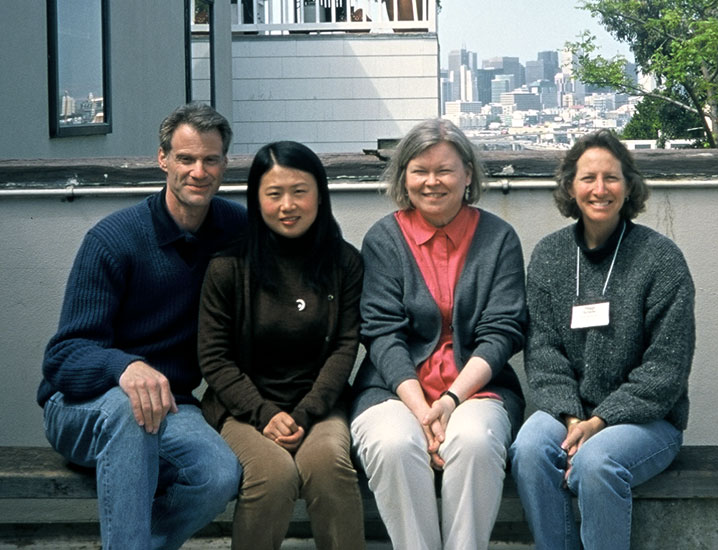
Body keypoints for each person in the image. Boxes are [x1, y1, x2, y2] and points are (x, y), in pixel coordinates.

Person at [38, 102, 246, 550]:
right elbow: (62, 357)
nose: (198, 171)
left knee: (217, 475)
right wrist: (124, 367)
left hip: (172, 404)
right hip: (81, 406)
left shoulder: (237, 229)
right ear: (163, 159)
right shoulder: (113, 239)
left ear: (225, 164)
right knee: (130, 412)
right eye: (186, 158)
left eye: (210, 160)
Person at [510, 129, 695, 550]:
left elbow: (666, 367)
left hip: (646, 420)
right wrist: (572, 418)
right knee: (529, 449)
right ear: (569, 188)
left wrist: (600, 421)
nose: (600, 189)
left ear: (629, 187)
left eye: (611, 178)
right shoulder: (549, 255)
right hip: (569, 413)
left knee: (596, 461)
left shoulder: (661, 259)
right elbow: (543, 351)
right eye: (588, 178)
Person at [350, 118, 527, 550]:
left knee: (475, 441)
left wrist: (449, 401)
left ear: (467, 175)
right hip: (393, 389)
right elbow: (382, 334)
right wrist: (423, 411)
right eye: (420, 171)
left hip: (477, 389)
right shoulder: (384, 239)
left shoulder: (499, 238)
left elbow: (501, 332)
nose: (432, 181)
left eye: (444, 170)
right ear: (403, 177)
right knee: (393, 444)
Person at [197, 141, 366, 550]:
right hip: (243, 409)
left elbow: (345, 347)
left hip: (319, 407)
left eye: (299, 191)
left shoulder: (345, 262)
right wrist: (264, 414)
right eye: (274, 194)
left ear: (320, 195)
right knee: (272, 475)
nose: (288, 205)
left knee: (328, 467)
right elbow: (214, 357)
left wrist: (306, 412)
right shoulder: (228, 267)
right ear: (257, 201)